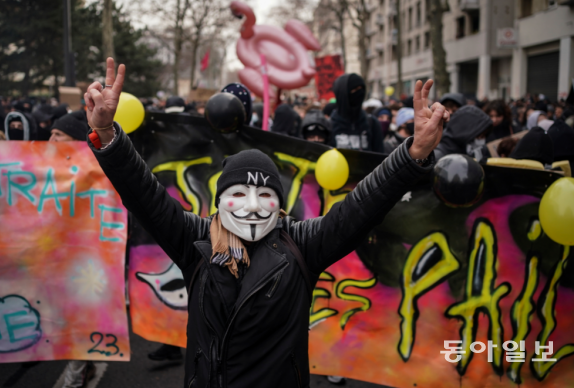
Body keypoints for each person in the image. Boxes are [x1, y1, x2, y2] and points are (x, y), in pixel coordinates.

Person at [83, 58, 448, 387]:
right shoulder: (196, 240)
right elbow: (145, 195)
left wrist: (412, 154)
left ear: (279, 203)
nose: (252, 207)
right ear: (220, 201)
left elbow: (361, 207)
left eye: (264, 196)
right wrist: (109, 137)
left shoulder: (301, 244)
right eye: (239, 195)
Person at [48, 110, 98, 388]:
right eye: (51, 133)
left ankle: (73, 379)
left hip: (85, 259)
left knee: (81, 316)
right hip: (54, 256)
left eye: (58, 135)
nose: (50, 139)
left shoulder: (94, 172)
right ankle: (84, 364)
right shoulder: (43, 166)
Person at [330, 74, 384, 152]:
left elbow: (380, 155)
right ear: (343, 93)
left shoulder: (372, 123)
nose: (359, 92)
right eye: (355, 89)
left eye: (361, 88)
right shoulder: (329, 125)